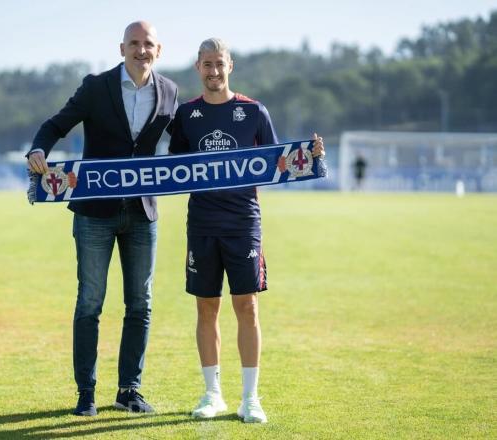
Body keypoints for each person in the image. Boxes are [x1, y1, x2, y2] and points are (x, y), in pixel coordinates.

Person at [168, 38, 325, 424]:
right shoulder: (186, 115)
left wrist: (309, 157)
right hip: (202, 225)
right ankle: (212, 394)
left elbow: (276, 163)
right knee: (206, 307)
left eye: (219, 64)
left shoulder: (254, 111)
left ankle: (250, 398)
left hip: (243, 225)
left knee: (247, 307)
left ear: (230, 66)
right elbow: (172, 169)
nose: (214, 71)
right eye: (207, 64)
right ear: (197, 67)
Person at [27, 21, 178, 416]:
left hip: (143, 213)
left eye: (148, 45)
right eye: (134, 43)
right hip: (95, 213)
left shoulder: (170, 91)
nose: (141, 50)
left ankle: (129, 390)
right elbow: (54, 125)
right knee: (90, 303)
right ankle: (86, 394)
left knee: (140, 304)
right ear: (121, 48)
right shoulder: (96, 87)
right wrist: (37, 150)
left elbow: (186, 144)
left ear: (158, 51)